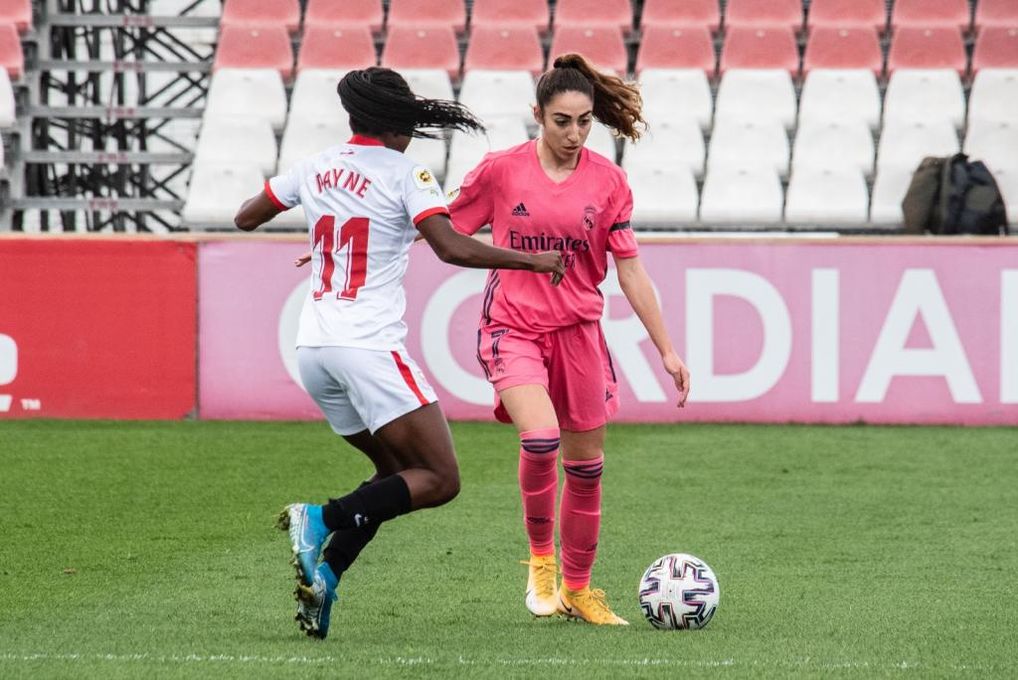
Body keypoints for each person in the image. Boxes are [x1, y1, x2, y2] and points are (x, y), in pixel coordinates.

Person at [233, 66, 565, 640]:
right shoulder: (406, 171)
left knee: (392, 474)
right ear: (397, 123)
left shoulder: (316, 166)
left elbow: (246, 216)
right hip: (368, 348)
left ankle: (327, 578)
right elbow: (450, 247)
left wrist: (324, 234)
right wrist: (533, 260)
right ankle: (319, 518)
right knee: (440, 478)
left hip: (313, 349)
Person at [447, 53, 691, 626]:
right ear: (538, 114)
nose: (575, 133)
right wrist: (350, 248)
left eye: (584, 121)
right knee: (540, 440)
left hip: (580, 334)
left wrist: (667, 349)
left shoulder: (610, 181)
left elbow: (630, 269)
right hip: (513, 326)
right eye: (562, 121)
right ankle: (540, 567)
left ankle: (579, 591)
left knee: (587, 467)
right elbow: (439, 228)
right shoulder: (499, 171)